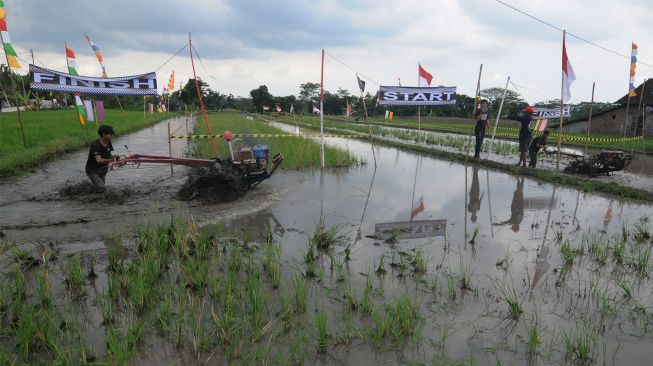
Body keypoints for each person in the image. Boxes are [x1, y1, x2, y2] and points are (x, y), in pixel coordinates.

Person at [85, 125, 117, 192]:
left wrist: (114, 157)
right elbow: (99, 160)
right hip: (93, 171)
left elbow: (108, 153)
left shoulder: (108, 142)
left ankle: (89, 189)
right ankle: (87, 187)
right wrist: (111, 160)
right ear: (103, 134)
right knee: (102, 188)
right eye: (110, 134)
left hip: (103, 169)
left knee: (100, 189)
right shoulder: (96, 145)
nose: (112, 135)